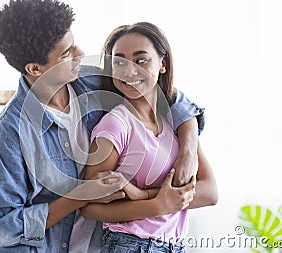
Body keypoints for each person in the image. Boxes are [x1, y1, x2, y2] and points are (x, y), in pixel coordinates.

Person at [0, 0, 205, 252]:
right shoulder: (11, 131)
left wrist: (188, 150)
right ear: (35, 69)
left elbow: (167, 93)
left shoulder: (90, 80)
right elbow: (7, 226)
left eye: (74, 43)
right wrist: (81, 194)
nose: (79, 54)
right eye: (66, 53)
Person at [80, 22, 218, 253]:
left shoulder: (177, 123)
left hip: (173, 245)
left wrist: (142, 195)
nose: (129, 70)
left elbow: (210, 192)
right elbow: (88, 206)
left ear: (162, 64)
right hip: (128, 244)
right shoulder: (116, 124)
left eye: (141, 59)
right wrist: (155, 206)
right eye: (119, 61)